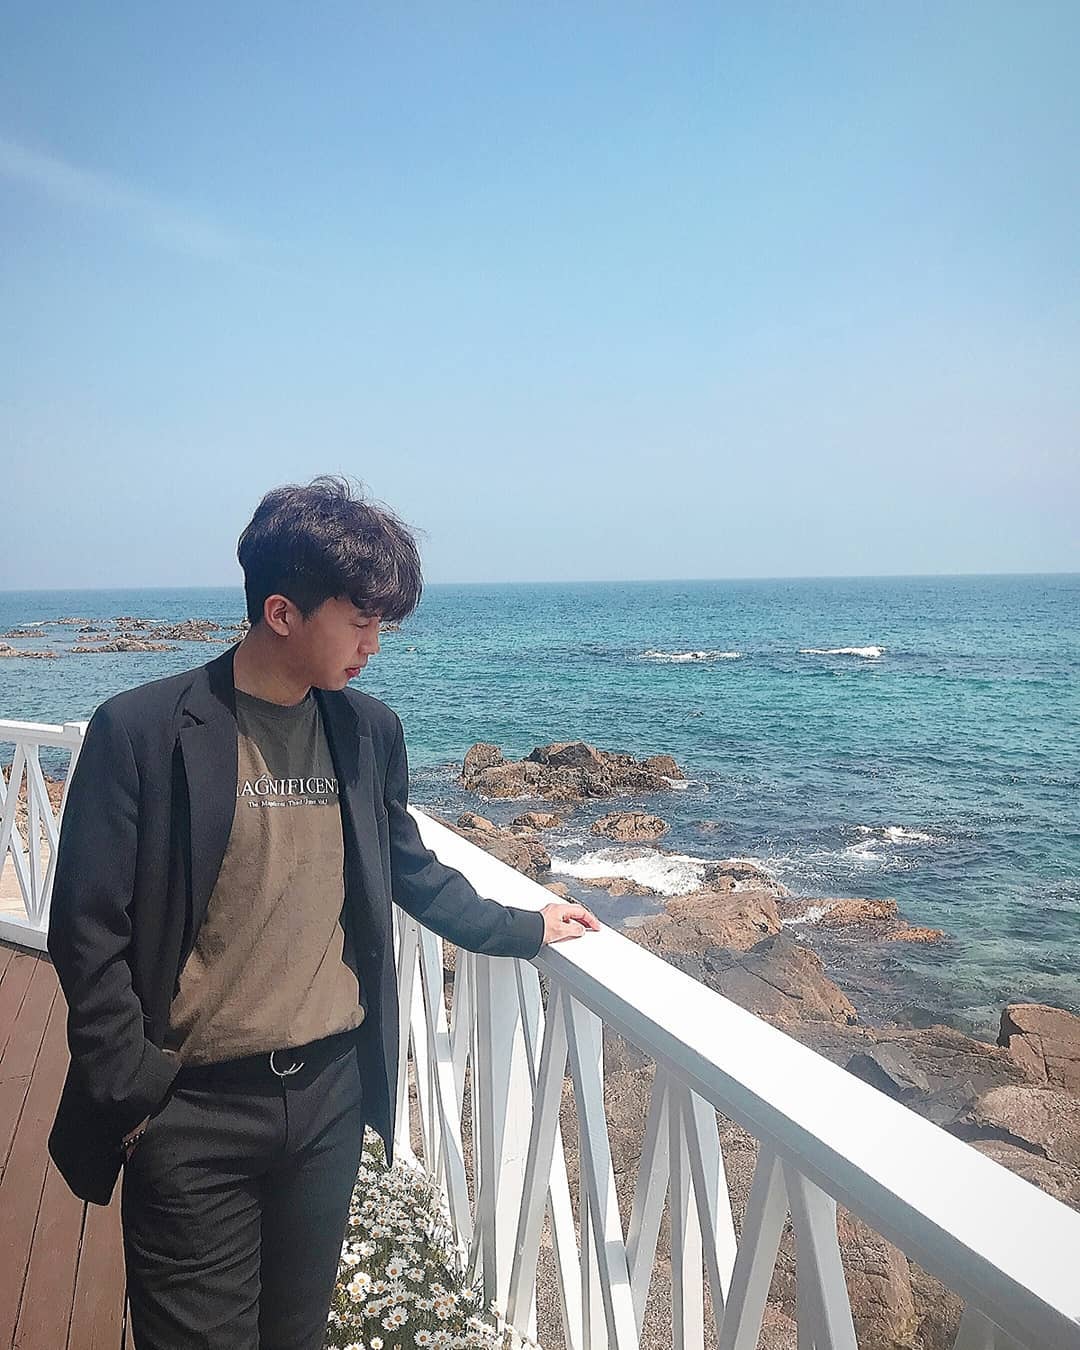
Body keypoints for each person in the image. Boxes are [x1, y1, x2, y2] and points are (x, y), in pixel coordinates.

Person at [47, 476, 599, 1350]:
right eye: (361, 622)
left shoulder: (368, 732)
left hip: (328, 1102)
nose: (374, 645)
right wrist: (137, 1090)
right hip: (191, 1110)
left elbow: (410, 869)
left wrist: (526, 926)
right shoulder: (141, 732)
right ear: (281, 612)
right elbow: (86, 930)